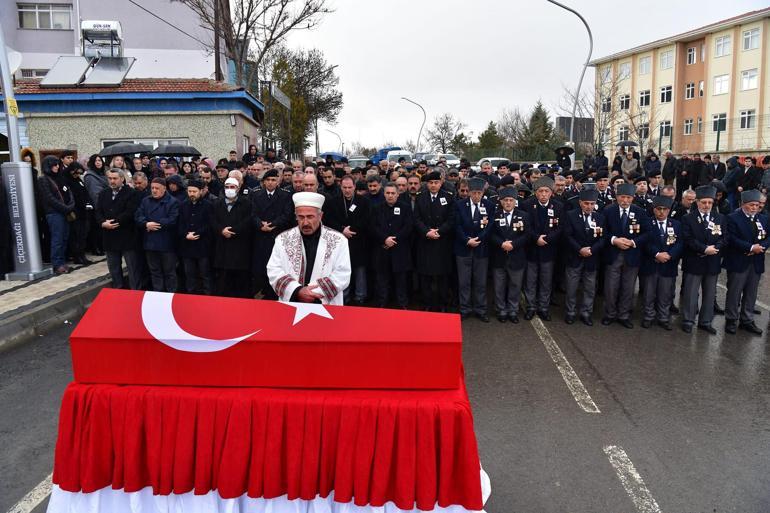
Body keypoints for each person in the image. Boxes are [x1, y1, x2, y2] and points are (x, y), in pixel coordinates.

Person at [267, 192, 351, 304]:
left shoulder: (339, 240)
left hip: (324, 303)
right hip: (292, 302)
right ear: (295, 216)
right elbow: (274, 270)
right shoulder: (282, 240)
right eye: (300, 217)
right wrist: (297, 291)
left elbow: (342, 273)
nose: (305, 222)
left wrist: (313, 293)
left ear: (320, 216)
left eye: (310, 217)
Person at [602, 183, 651, 328]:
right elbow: (602, 231)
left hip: (632, 255)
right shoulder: (608, 211)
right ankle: (610, 314)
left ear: (633, 198)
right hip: (613, 254)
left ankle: (623, 315)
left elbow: (647, 233)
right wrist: (614, 240)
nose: (625, 200)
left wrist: (633, 242)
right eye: (622, 197)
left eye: (628, 197)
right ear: (617, 197)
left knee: (628, 287)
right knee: (611, 287)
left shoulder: (640, 212)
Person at [680, 185, 727, 334]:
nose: (707, 205)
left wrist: (716, 247)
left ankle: (705, 321)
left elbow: (725, 237)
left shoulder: (720, 218)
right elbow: (687, 238)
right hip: (694, 260)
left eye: (710, 202)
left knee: (709, 293)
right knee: (691, 293)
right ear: (697, 202)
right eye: (704, 202)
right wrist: (704, 249)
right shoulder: (688, 218)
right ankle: (688, 320)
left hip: (712, 261)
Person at [723, 190, 768, 335]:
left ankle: (747, 319)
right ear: (743, 204)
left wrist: (761, 248)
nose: (755, 208)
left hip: (756, 260)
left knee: (751, 292)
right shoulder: (732, 218)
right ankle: (731, 319)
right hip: (738, 260)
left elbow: (768, 237)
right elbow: (731, 238)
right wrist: (749, 247)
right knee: (735, 291)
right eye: (751, 205)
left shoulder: (764, 219)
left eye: (757, 205)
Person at [323, 175, 370, 305]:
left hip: (358, 240)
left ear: (354, 187)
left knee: (360, 271)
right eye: (345, 187)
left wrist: (352, 230)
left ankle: (360, 296)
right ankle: (344, 296)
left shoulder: (364, 201)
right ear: (341, 187)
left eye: (350, 187)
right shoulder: (333, 202)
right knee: (341, 270)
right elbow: (328, 220)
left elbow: (366, 220)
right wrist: (342, 230)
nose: (347, 190)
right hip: (340, 242)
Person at [521, 177, 563, 321]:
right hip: (532, 250)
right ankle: (531, 307)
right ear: (536, 193)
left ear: (551, 193)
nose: (544, 194)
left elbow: (560, 228)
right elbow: (525, 226)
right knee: (530, 281)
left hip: (548, 250)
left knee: (546, 281)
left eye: (546, 191)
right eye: (540, 191)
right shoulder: (527, 205)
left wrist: (547, 239)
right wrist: (536, 238)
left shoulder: (558, 206)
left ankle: (544, 308)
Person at [413, 171, 456, 312]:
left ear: (441, 182)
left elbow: (451, 219)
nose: (433, 185)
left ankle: (442, 303)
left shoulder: (448, 197)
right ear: (427, 184)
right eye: (430, 183)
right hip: (425, 242)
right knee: (425, 276)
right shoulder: (420, 197)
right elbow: (417, 219)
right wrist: (427, 232)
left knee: (442, 276)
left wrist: (438, 231)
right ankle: (427, 303)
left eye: (436, 182)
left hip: (441, 242)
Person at [639, 196, 683, 330]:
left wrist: (670, 255)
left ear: (669, 210)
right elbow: (645, 242)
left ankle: (663, 318)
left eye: (665, 209)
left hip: (668, 264)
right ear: (654, 209)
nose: (662, 212)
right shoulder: (647, 223)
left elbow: (680, 243)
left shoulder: (676, 225)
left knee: (665, 294)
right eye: (659, 209)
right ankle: (648, 316)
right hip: (651, 263)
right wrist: (657, 254)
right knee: (649, 293)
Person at [454, 177, 495, 321]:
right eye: (474, 193)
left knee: (480, 282)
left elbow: (490, 226)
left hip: (481, 249)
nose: (477, 196)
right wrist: (467, 240)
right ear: (469, 192)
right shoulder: (459, 205)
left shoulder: (489, 206)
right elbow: (457, 226)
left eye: (479, 193)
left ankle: (481, 309)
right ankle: (465, 308)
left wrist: (479, 239)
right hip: (463, 248)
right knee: (464, 281)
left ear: (483, 192)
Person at [562, 189, 605, 326]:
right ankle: (570, 312)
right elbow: (567, 236)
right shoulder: (570, 215)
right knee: (572, 287)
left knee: (589, 288)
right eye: (586, 203)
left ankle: (586, 313)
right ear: (580, 203)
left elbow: (603, 238)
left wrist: (592, 250)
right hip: (575, 256)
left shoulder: (600, 218)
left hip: (591, 258)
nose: (589, 206)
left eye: (592, 204)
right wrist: (580, 249)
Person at [490, 187, 531, 323]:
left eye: (511, 200)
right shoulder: (494, 215)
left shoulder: (524, 215)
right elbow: (490, 234)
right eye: (505, 200)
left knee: (515, 285)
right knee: (499, 285)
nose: (508, 203)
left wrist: (513, 244)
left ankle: (513, 310)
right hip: (499, 256)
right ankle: (501, 309)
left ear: (515, 201)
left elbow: (526, 235)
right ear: (501, 202)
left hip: (517, 256)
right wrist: (502, 243)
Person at [95, 168, 141, 289]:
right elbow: (98, 211)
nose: (112, 181)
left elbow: (130, 212)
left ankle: (135, 291)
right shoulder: (103, 193)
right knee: (113, 267)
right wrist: (102, 223)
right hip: (109, 236)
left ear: (122, 179)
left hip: (127, 235)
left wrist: (114, 222)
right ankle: (118, 290)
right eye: (110, 178)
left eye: (115, 178)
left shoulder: (131, 193)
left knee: (132, 268)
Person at [369, 182, 413, 308]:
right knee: (382, 282)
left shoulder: (405, 208)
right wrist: (384, 239)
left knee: (401, 282)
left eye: (393, 193)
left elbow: (408, 227)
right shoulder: (377, 208)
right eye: (387, 193)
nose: (390, 195)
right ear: (384, 194)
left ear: (397, 194)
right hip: (382, 250)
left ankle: (402, 305)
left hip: (400, 251)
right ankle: (382, 305)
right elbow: (372, 227)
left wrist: (393, 240)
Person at [251, 169, 293, 298]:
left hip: (276, 235)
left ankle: (273, 292)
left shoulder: (285, 195)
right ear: (263, 182)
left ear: (278, 181)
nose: (270, 183)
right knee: (261, 265)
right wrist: (260, 225)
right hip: (261, 235)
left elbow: (286, 215)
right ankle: (262, 290)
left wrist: (273, 224)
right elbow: (252, 213)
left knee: (276, 265)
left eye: (273, 180)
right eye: (268, 180)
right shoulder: (256, 195)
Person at [134, 177, 180, 292]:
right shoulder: (146, 201)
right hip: (150, 243)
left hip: (166, 243)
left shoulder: (173, 202)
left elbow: (173, 219)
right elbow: (138, 216)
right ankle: (157, 294)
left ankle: (171, 295)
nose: (154, 190)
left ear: (164, 188)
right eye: (152, 188)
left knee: (169, 272)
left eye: (157, 188)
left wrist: (155, 224)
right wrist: (146, 224)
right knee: (155, 271)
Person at [212, 177, 253, 297]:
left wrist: (233, 231)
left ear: (238, 188)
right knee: (223, 281)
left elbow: (248, 221)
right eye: (227, 187)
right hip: (222, 246)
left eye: (232, 187)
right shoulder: (217, 203)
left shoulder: (246, 203)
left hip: (239, 247)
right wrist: (221, 230)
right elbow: (212, 220)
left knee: (239, 281)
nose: (229, 189)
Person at [38, 155, 74, 275]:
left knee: (64, 237)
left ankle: (62, 262)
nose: (57, 166)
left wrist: (70, 205)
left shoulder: (60, 177)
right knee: (57, 239)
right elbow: (49, 198)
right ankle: (57, 264)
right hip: (54, 213)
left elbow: (69, 192)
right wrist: (66, 208)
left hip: (64, 212)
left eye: (58, 164)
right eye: (54, 164)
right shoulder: (43, 179)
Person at [177, 179, 214, 295]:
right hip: (187, 245)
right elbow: (179, 223)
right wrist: (186, 234)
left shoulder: (208, 205)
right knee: (189, 274)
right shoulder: (183, 205)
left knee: (205, 274)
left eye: (194, 191)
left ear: (201, 191)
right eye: (190, 191)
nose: (192, 194)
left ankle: (208, 295)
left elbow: (210, 224)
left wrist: (196, 234)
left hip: (202, 245)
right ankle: (191, 295)